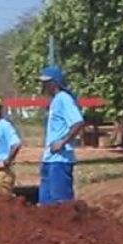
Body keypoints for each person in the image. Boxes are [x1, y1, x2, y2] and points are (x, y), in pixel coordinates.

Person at [38, 66, 84, 205]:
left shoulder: (64, 98)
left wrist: (62, 142)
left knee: (61, 204)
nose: (43, 86)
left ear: (55, 83)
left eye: (46, 82)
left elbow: (78, 122)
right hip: (49, 159)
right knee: (46, 204)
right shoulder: (55, 101)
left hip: (60, 160)